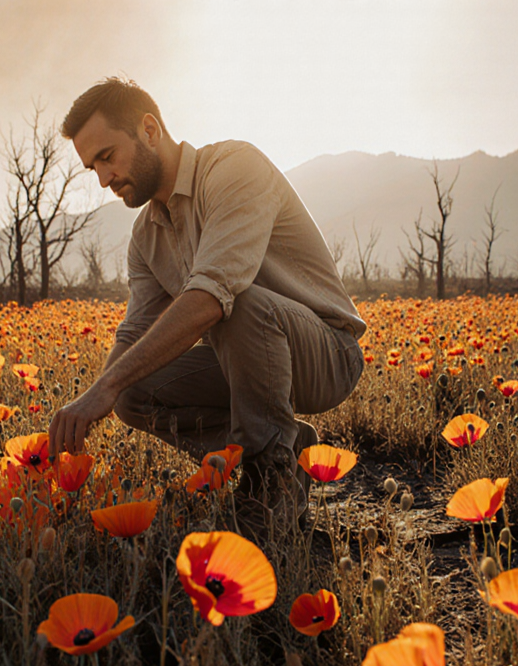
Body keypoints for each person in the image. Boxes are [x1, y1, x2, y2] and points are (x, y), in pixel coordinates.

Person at [47, 77, 366, 540]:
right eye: (91, 167)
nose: (102, 179)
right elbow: (134, 332)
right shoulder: (146, 235)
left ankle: (268, 481)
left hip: (326, 355)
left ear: (150, 130)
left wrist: (107, 384)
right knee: (133, 394)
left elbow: (213, 296)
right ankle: (286, 448)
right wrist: (100, 394)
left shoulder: (235, 167)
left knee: (239, 301)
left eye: (107, 156)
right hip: (246, 360)